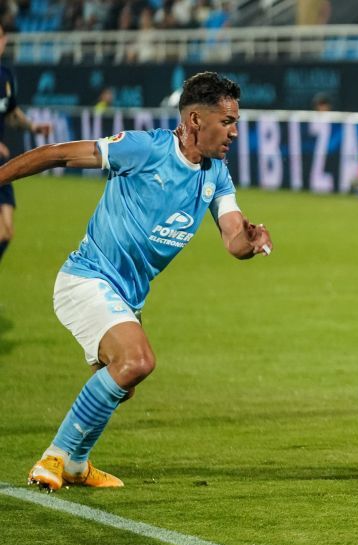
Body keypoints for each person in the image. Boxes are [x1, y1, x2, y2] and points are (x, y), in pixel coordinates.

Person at [0, 71, 273, 492]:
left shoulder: (215, 173)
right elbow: (58, 154)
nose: (235, 132)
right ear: (196, 120)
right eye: (228, 121)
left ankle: (76, 464)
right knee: (137, 361)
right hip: (87, 279)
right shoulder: (146, 149)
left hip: (127, 297)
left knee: (123, 384)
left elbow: (232, 238)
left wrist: (251, 242)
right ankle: (55, 456)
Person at [0, 23, 53, 267]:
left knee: (6, 233)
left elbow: (11, 113)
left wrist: (33, 127)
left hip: (2, 165)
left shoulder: (6, 76)